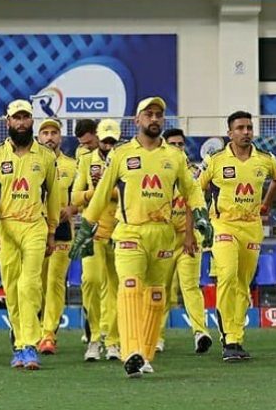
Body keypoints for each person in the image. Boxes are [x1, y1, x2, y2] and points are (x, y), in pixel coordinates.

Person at [70, 96, 213, 378]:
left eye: (159, 114)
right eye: (149, 114)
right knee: (130, 287)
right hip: (130, 231)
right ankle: (131, 350)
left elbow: (192, 189)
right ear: (137, 120)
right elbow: (101, 194)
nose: (154, 119)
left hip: (163, 234)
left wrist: (201, 215)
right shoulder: (121, 154)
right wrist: (86, 226)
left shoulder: (175, 156)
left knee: (156, 294)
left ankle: (144, 356)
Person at [0, 99, 60, 370]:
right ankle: (20, 345)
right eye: (17, 118)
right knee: (12, 289)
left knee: (29, 285)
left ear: (32, 121)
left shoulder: (46, 157)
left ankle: (30, 345)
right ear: (8, 122)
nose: (21, 123)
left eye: (25, 117)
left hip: (35, 226)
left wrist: (51, 232)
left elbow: (54, 197)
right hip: (6, 228)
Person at [199, 111, 276, 362]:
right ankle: (228, 337)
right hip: (223, 225)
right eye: (240, 128)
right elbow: (195, 187)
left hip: (251, 227)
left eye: (249, 127)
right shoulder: (215, 160)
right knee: (227, 275)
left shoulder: (266, 159)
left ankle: (236, 338)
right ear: (230, 133)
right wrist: (202, 216)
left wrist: (266, 203)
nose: (246, 132)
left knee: (243, 284)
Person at [71, 119, 122, 361]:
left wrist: (106, 191)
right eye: (105, 141)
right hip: (92, 233)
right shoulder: (86, 161)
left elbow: (130, 194)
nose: (108, 146)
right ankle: (93, 338)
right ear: (98, 139)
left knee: (116, 288)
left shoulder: (124, 159)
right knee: (90, 281)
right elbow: (75, 197)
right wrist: (98, 192)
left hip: (120, 232)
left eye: (113, 142)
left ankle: (113, 341)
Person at [157, 128, 212, 354]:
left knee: (190, 286)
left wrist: (190, 234)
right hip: (163, 239)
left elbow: (193, 201)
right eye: (173, 144)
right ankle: (156, 336)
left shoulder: (192, 172)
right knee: (162, 289)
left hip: (188, 239)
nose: (178, 148)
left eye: (180, 144)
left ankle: (200, 332)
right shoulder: (157, 169)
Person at [37, 118, 78, 355]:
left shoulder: (72, 166)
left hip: (62, 232)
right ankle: (33, 330)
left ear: (60, 137)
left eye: (54, 132)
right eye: (45, 133)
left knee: (54, 282)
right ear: (38, 137)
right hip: (34, 230)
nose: (50, 137)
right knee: (37, 283)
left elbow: (83, 195)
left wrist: (71, 209)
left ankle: (48, 334)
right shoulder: (30, 162)